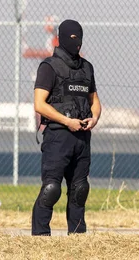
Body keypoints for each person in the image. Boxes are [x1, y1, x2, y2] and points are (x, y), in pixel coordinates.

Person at [31, 19, 101, 236]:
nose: (76, 42)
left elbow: (95, 100)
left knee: (80, 189)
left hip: (82, 137)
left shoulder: (87, 68)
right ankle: (41, 236)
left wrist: (95, 117)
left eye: (78, 37)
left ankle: (78, 235)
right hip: (58, 136)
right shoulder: (49, 67)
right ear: (61, 38)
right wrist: (65, 121)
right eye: (72, 37)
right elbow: (39, 104)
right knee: (51, 189)